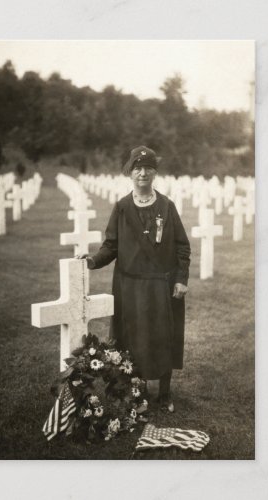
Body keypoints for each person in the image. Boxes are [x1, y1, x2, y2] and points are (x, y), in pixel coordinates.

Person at [79, 145, 190, 413]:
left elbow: (182, 246)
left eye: (148, 168)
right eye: (137, 168)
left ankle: (164, 393)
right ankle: (136, 391)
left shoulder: (167, 206)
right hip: (129, 285)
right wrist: (93, 261)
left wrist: (181, 278)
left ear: (154, 173)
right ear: (130, 172)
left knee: (164, 336)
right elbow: (111, 246)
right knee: (132, 338)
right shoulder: (122, 207)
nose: (142, 173)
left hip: (161, 285)